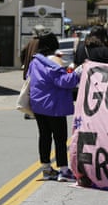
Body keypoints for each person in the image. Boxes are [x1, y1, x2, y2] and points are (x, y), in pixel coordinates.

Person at [27, 32, 81, 182]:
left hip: (38, 105)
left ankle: (46, 169)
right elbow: (65, 82)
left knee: (44, 136)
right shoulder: (53, 62)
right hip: (54, 106)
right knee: (60, 138)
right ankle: (64, 170)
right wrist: (77, 73)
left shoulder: (35, 62)